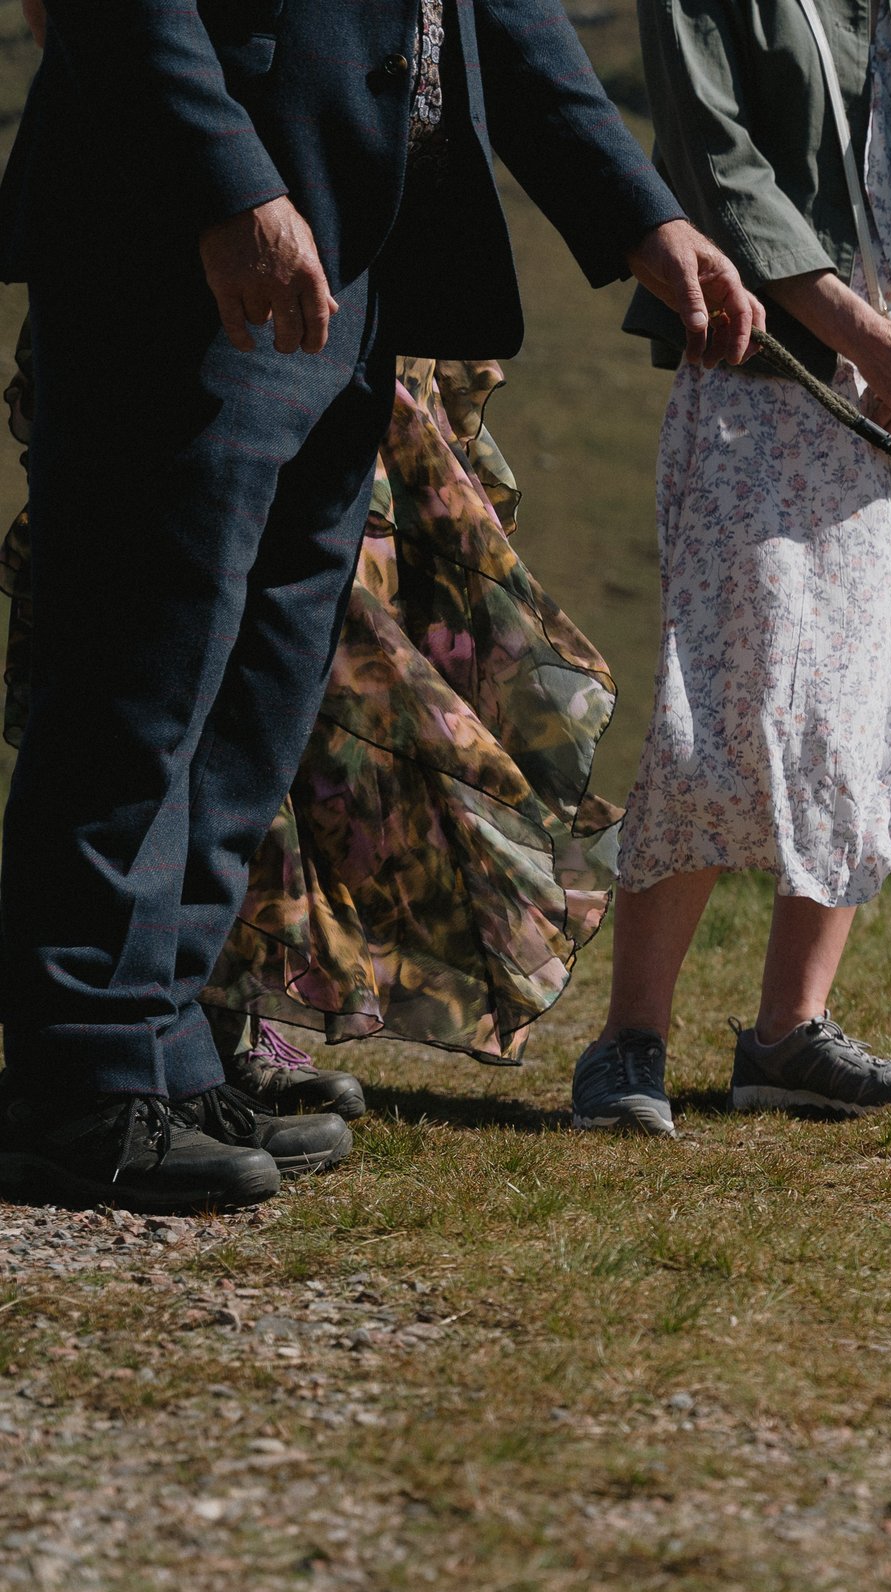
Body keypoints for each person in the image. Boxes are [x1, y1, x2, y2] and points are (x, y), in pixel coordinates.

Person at [0, 0, 765, 1213]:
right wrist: (231, 187)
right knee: (140, 675)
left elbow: (496, 14)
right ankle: (76, 1079)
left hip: (354, 257)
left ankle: (165, 1045)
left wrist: (645, 217)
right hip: (185, 236)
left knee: (256, 688)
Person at [572, 0, 891, 1136]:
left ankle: (790, 1032)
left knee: (883, 692)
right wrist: (866, 340)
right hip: (777, 373)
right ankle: (627, 1039)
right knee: (727, 708)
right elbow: (715, 160)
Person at [0, 336, 629, 1106]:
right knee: (182, 662)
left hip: (354, 343)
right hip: (210, 315)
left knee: (298, 694)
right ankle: (134, 1041)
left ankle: (207, 1020)